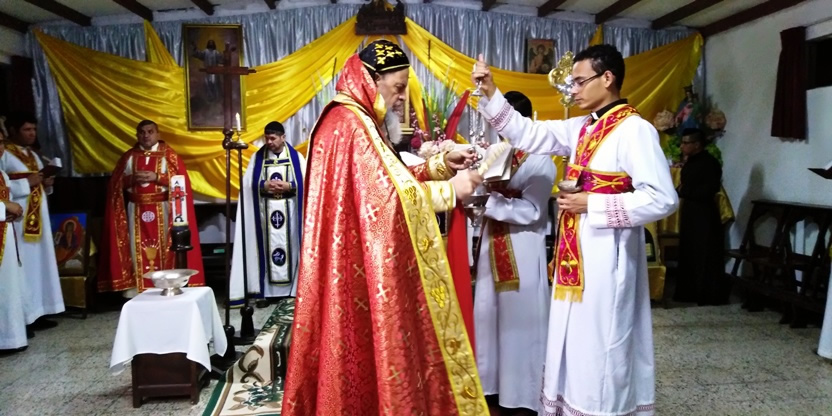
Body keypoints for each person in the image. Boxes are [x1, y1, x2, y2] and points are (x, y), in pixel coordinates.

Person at [282, 40, 488, 415]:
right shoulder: (349, 123)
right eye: (398, 86)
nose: (402, 97)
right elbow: (384, 202)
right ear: (372, 79)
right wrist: (449, 191)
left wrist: (442, 164)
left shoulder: (356, 119)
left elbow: (390, 177)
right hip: (354, 267)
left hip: (354, 258)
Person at [472, 44, 678, 416]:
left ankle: (602, 408)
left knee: (603, 341)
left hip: (609, 254)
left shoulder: (635, 130)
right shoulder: (581, 127)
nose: (574, 91)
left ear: (607, 78)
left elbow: (662, 199)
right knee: (573, 339)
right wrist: (489, 92)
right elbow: (528, 133)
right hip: (575, 250)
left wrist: (592, 204)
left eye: (580, 82)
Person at [473, 91, 554, 415]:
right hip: (493, 240)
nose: (500, 130)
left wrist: (492, 202)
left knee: (519, 319)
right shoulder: (497, 151)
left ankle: (522, 392)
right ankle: (490, 385)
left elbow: (534, 210)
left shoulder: (540, 157)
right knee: (488, 312)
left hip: (522, 244)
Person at [98, 120, 204, 297]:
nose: (146, 135)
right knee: (134, 247)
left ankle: (167, 286)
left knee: (166, 248)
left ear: (158, 134)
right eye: (142, 132)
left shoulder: (169, 155)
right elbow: (115, 185)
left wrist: (158, 177)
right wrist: (131, 179)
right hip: (136, 209)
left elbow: (181, 182)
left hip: (163, 208)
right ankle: (136, 290)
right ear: (137, 135)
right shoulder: (128, 157)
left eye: (150, 131)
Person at [230, 121, 306, 307]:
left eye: (273, 138)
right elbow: (247, 185)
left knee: (291, 249)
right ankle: (265, 292)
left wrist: (290, 186)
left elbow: (307, 183)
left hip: (290, 214)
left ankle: (292, 291)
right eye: (267, 138)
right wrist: (263, 185)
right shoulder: (258, 158)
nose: (269, 142)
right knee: (265, 250)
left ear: (283, 137)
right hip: (265, 212)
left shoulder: (296, 158)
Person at [0, 112, 64, 331]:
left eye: (34, 129)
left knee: (39, 265)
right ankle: (25, 316)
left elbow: (39, 182)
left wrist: (46, 182)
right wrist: (27, 183)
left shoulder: (33, 154)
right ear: (13, 130)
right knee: (24, 268)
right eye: (26, 129)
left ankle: (40, 310)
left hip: (38, 219)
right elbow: (4, 186)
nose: (31, 134)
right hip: (18, 219)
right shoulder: (6, 154)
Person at [673, 128, 726, 305]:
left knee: (704, 253)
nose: (681, 146)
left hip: (704, 213)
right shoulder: (690, 162)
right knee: (689, 250)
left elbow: (710, 189)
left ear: (697, 144)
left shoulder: (710, 163)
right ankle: (688, 292)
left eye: (685, 143)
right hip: (690, 211)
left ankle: (706, 294)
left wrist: (684, 192)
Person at [0, 129, 29, 354]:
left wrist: (14, 210)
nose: (0, 147)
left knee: (10, 285)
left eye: (2, 142)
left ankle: (12, 337)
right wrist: (5, 207)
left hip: (6, 233)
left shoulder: (2, 172)